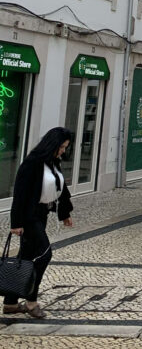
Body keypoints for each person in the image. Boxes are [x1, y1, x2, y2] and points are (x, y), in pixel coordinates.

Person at [4, 127, 74, 319]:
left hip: (42, 213)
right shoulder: (33, 162)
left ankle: (10, 303)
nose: (63, 151)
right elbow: (20, 193)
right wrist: (16, 222)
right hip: (29, 216)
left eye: (65, 147)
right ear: (52, 144)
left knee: (26, 257)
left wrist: (65, 212)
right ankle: (31, 300)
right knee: (44, 254)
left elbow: (62, 188)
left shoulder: (52, 162)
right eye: (61, 147)